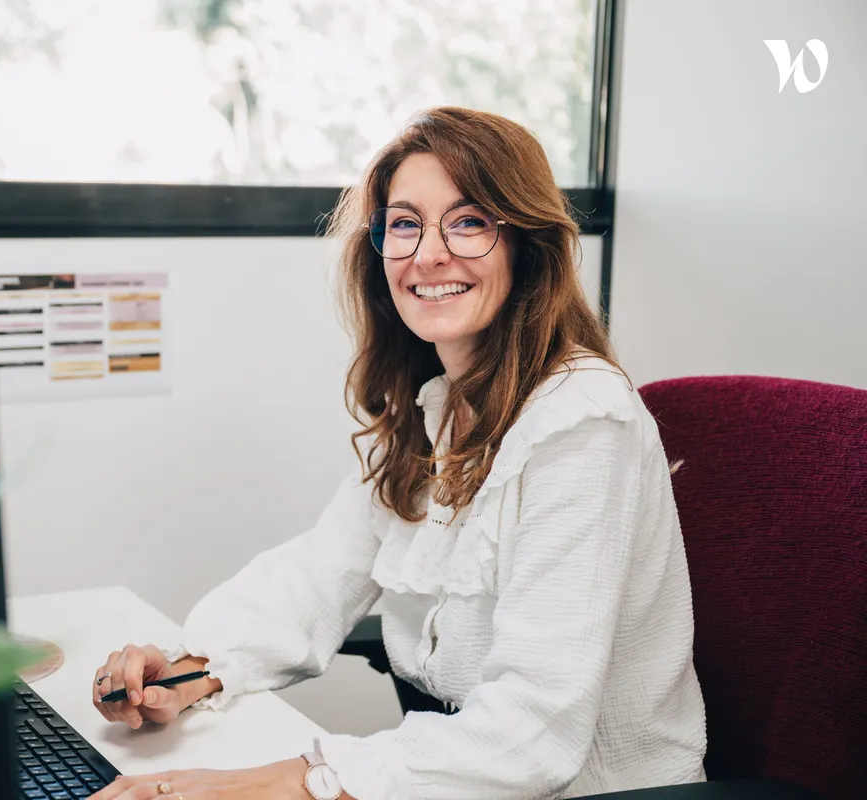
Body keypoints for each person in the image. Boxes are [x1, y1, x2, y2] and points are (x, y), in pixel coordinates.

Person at [87, 106, 707, 800]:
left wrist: (291, 783)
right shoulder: (437, 408)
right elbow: (317, 580)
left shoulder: (584, 424)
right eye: (405, 223)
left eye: (469, 221)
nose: (428, 253)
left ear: (525, 246)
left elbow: (532, 734)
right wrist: (183, 673)